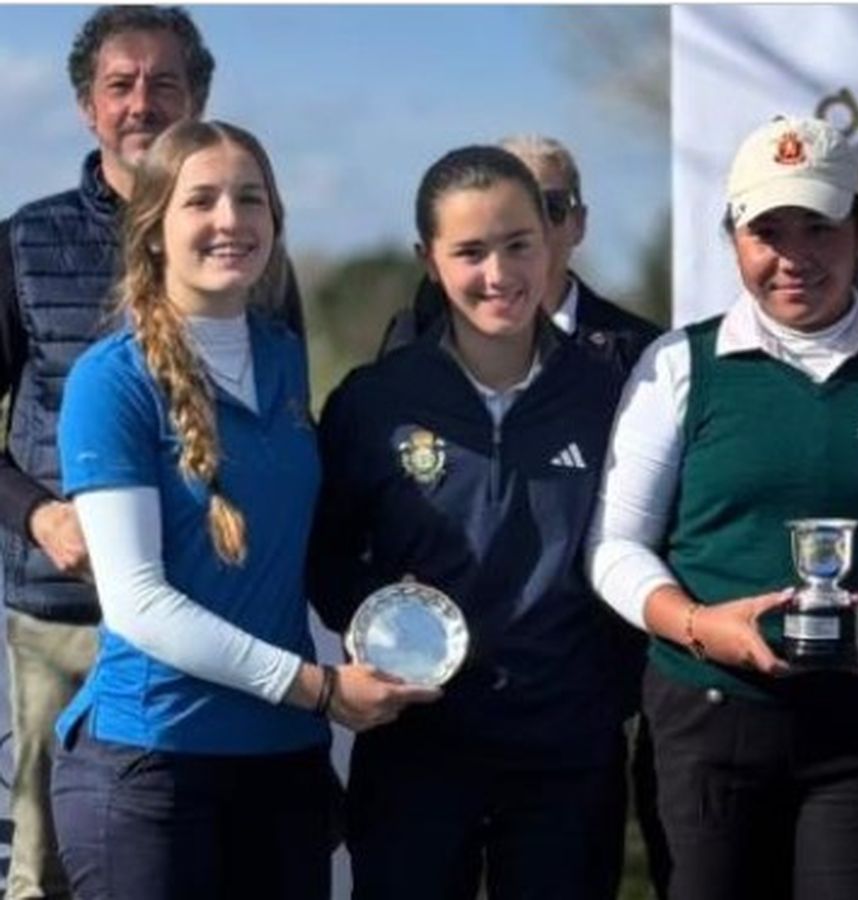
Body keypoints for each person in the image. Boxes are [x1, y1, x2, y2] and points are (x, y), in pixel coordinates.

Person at [587, 115, 858, 899]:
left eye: (819, 229)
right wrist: (700, 627)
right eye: (767, 232)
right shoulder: (676, 366)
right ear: (733, 237)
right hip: (705, 719)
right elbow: (615, 548)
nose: (794, 258)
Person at [48, 119, 431, 900]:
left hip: (284, 764)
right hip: (155, 765)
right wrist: (320, 689)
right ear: (154, 229)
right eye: (203, 201)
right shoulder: (109, 381)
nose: (231, 219)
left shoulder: (285, 357)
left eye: (251, 199)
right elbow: (139, 604)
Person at [0, 8, 297, 898]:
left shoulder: (262, 269)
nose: (143, 102)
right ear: (89, 107)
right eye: (120, 85)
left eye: (164, 83)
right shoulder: (24, 242)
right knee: (50, 864)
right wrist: (37, 511)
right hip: (66, 609)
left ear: (197, 98)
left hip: (220, 628)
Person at [309, 145, 638, 899]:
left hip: (565, 752)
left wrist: (606, 691)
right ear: (428, 259)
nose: (500, 275)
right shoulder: (374, 402)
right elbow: (327, 555)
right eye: (470, 252)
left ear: (550, 240)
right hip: (418, 745)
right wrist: (384, 623)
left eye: (519, 244)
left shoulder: (611, 390)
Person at [377, 134, 660, 367]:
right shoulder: (418, 338)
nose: (535, 226)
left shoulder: (644, 353)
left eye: (552, 207)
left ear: (579, 224)